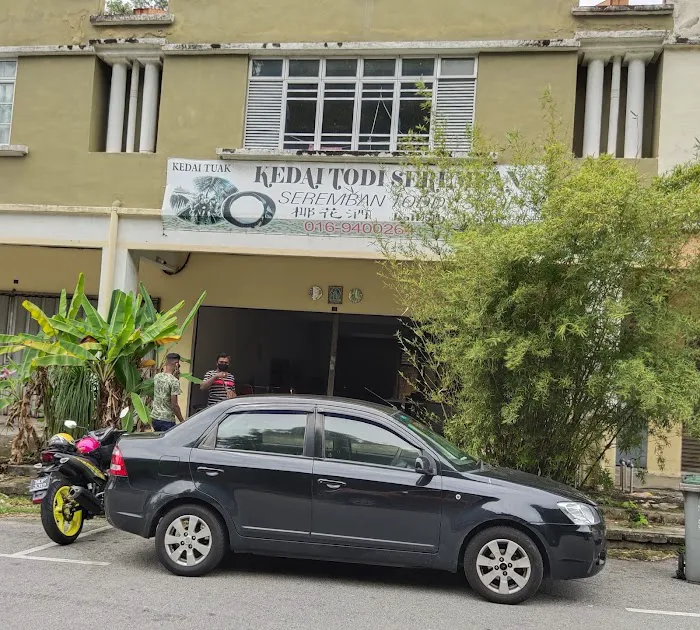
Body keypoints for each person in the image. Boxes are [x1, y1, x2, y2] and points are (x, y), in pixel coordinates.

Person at [151, 353, 185, 432]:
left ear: (166, 363)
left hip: (155, 418)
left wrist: (175, 377)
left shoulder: (157, 377)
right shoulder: (174, 381)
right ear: (176, 364)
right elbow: (174, 405)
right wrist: (182, 421)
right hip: (167, 420)